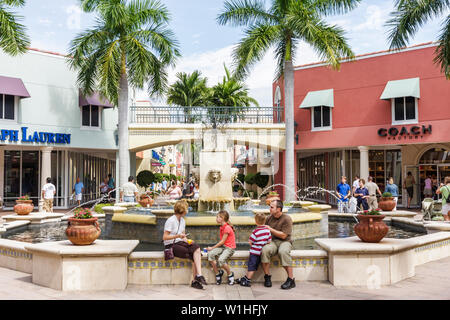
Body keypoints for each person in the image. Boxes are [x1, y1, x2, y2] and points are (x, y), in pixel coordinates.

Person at [162, 201, 206, 289]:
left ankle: (199, 276)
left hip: (180, 242)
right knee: (193, 253)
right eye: (187, 208)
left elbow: (183, 236)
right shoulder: (171, 220)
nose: (188, 210)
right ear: (182, 210)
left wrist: (188, 241)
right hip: (171, 245)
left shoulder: (182, 221)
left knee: (196, 247)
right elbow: (165, 237)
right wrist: (178, 236)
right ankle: (195, 281)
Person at [261, 200, 295, 290]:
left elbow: (284, 235)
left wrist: (270, 229)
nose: (270, 209)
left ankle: (291, 280)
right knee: (264, 250)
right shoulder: (268, 218)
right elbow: (264, 232)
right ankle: (267, 277)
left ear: (279, 209)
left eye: (272, 207)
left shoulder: (287, 218)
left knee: (283, 252)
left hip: (285, 241)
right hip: (272, 241)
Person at [236, 212, 272, 287]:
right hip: (261, 252)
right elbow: (269, 241)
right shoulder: (267, 231)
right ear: (264, 221)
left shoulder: (255, 231)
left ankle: (247, 281)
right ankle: (245, 278)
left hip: (254, 253)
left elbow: (250, 242)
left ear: (256, 221)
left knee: (251, 267)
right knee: (255, 266)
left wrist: (254, 245)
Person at [206, 210, 236, 285]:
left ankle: (230, 274)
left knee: (221, 260)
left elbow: (222, 241)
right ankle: (218, 273)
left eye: (218, 217)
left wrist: (212, 247)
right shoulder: (222, 227)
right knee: (210, 254)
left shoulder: (227, 228)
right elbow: (223, 243)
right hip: (224, 247)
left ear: (222, 218)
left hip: (229, 248)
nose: (216, 218)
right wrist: (211, 250)